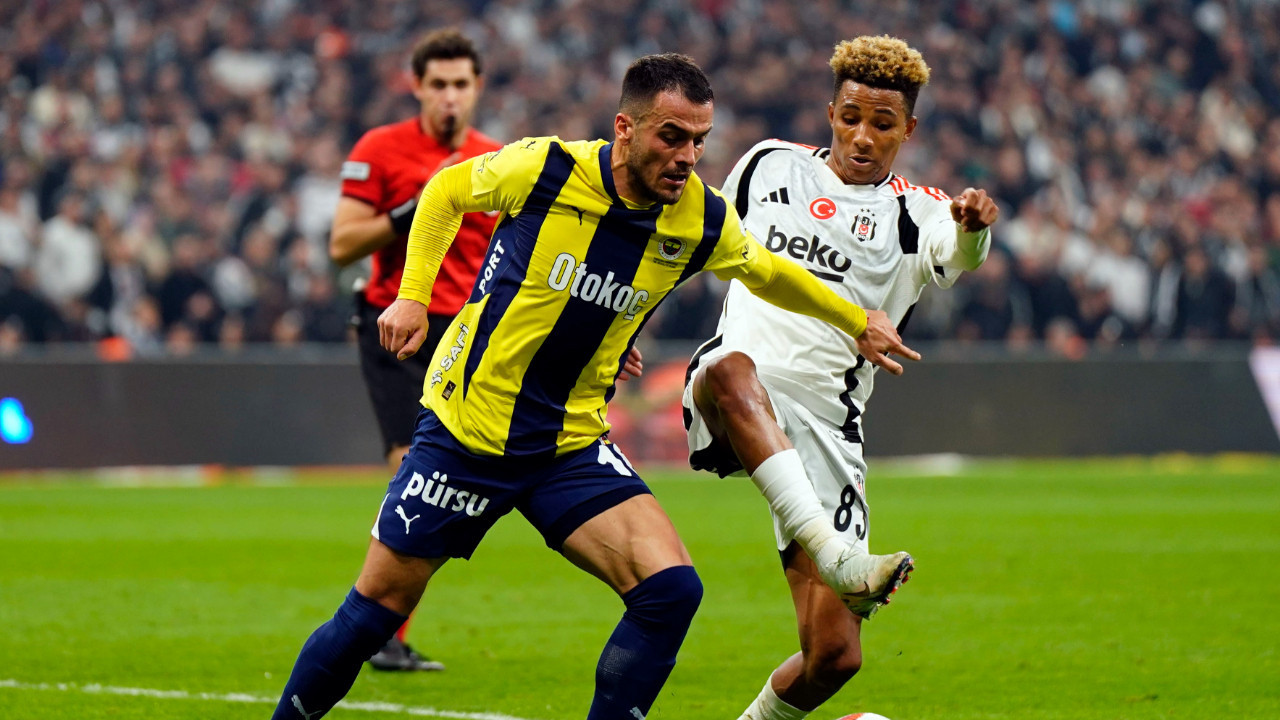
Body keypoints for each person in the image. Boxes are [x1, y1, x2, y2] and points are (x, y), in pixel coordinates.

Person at [271, 52, 914, 720]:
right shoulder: (546, 168)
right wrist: (412, 296)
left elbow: (768, 271)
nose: (688, 157)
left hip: (568, 445)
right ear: (625, 129)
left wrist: (856, 319)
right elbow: (445, 193)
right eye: (672, 136)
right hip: (468, 431)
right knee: (374, 614)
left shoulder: (700, 218)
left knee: (671, 591)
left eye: (700, 140)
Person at [682, 35, 999, 720]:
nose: (862, 136)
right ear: (831, 112)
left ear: (908, 130)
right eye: (850, 117)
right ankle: (835, 553)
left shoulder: (917, 211)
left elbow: (959, 252)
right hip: (731, 389)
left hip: (827, 423)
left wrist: (973, 228)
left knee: (835, 656)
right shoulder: (768, 164)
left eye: (882, 124)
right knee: (732, 369)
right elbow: (696, 240)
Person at [329, 28, 501, 672]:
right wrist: (415, 206)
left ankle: (384, 630)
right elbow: (342, 244)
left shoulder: (496, 160)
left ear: (477, 88)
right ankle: (384, 634)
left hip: (467, 336)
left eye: (460, 84)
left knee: (453, 482)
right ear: (417, 87)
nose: (450, 97)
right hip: (395, 327)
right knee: (415, 473)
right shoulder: (380, 148)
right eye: (438, 85)